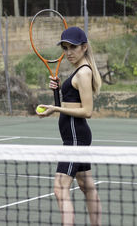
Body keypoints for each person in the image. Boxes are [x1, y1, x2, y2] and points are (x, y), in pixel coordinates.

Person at [36, 27, 102, 226]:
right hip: (74, 136)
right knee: (86, 185)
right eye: (65, 48)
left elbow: (87, 111)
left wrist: (55, 107)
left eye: (73, 47)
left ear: (84, 47)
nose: (68, 52)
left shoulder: (83, 73)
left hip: (75, 137)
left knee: (60, 187)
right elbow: (68, 104)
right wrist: (58, 93)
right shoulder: (79, 71)